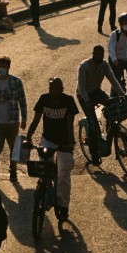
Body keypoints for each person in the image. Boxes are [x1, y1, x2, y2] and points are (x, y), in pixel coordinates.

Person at [24, 77, 79, 220]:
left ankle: (63, 205)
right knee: (44, 170)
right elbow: (36, 120)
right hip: (47, 140)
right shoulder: (44, 99)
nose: (54, 91)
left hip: (63, 142)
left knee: (63, 175)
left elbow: (69, 124)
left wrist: (69, 143)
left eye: (57, 88)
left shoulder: (68, 101)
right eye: (51, 88)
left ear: (62, 89)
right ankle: (45, 193)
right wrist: (27, 138)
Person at [76, 45, 125, 166]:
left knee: (112, 107)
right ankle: (94, 155)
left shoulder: (104, 65)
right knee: (92, 124)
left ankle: (109, 129)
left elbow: (113, 80)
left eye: (101, 55)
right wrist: (87, 101)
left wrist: (122, 94)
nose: (99, 57)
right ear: (93, 54)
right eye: (97, 54)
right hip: (84, 95)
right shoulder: (84, 67)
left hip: (97, 91)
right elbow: (81, 87)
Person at [0, 56, 27, 184]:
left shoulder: (16, 82)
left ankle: (13, 173)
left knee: (13, 149)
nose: (1, 69)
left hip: (12, 122)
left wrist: (24, 119)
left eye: (3, 66)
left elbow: (22, 101)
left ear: (8, 67)